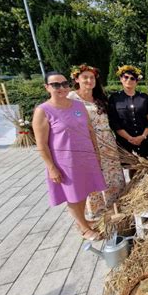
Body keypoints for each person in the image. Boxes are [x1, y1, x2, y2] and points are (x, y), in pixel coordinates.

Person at [33, 72, 105, 241]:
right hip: (65, 162)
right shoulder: (43, 111)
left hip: (85, 157)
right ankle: (84, 228)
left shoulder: (78, 106)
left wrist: (95, 152)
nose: (61, 88)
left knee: (84, 190)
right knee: (72, 194)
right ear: (47, 88)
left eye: (64, 84)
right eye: (56, 85)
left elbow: (90, 130)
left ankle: (84, 220)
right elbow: (41, 144)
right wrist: (51, 167)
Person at [68, 64, 125, 220]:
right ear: (77, 79)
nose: (89, 80)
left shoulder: (100, 98)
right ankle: (97, 211)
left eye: (92, 77)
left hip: (107, 142)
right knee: (92, 176)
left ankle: (116, 207)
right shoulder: (71, 98)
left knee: (112, 175)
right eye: (85, 77)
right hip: (86, 143)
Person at [108, 65, 148, 160]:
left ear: (137, 81)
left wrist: (142, 136)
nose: (129, 80)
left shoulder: (144, 97)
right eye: (125, 77)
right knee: (132, 171)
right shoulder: (114, 98)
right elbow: (114, 122)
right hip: (125, 143)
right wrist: (129, 138)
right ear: (121, 79)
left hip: (146, 142)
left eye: (132, 78)